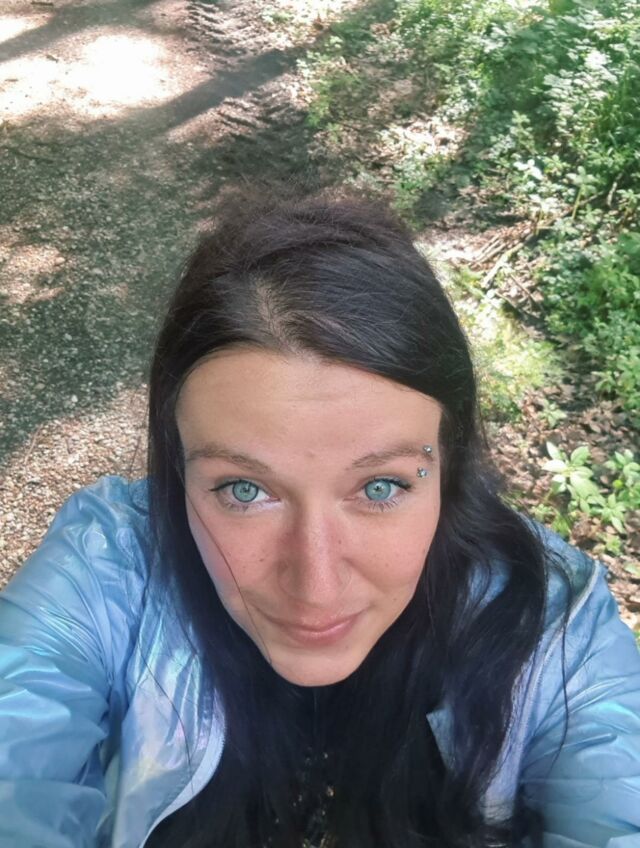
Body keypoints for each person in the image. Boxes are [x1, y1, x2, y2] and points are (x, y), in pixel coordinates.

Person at [0, 187, 639, 848]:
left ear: (449, 469)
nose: (316, 586)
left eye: (382, 486)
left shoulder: (554, 629)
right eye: (244, 490)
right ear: (177, 467)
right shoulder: (107, 568)